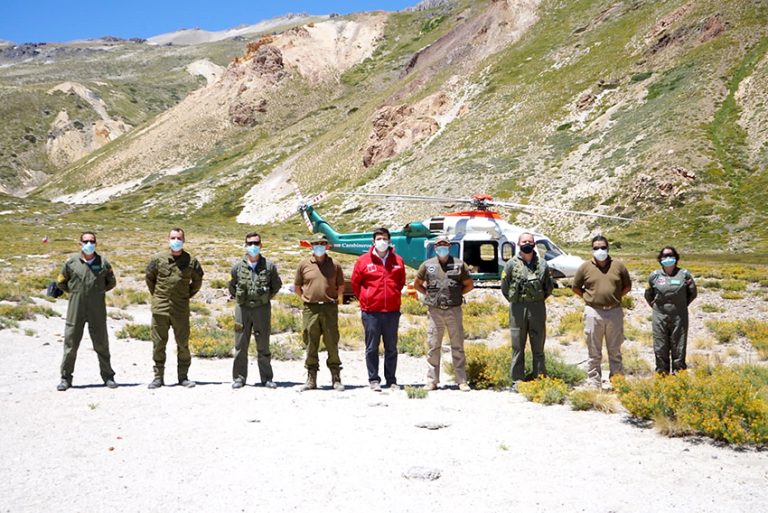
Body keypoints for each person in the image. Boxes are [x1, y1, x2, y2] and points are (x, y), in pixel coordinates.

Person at [55, 232, 118, 391]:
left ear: (96, 243)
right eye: (86, 241)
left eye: (92, 241)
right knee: (71, 343)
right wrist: (76, 291)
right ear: (80, 243)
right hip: (76, 307)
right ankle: (65, 378)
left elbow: (111, 282)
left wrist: (96, 292)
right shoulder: (71, 263)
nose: (89, 244)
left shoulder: (103, 262)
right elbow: (61, 282)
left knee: (101, 343)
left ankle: (108, 377)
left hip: (97, 308)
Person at [145, 228, 204, 389]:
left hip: (180, 309)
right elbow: (150, 278)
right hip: (161, 309)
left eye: (179, 238)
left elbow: (197, 281)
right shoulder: (158, 259)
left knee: (183, 344)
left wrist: (185, 296)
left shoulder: (191, 261)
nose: (176, 240)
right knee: (158, 344)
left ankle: (183, 377)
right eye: (173, 237)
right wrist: (158, 296)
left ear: (184, 240)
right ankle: (158, 377)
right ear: (168, 239)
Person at [413, 235, 474, 391]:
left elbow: (469, 285)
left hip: (454, 310)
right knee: (433, 345)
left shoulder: (460, 265)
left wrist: (457, 295)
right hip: (434, 311)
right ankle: (432, 380)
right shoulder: (427, 265)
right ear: (435, 248)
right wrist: (428, 295)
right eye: (439, 245)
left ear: (449, 246)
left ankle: (461, 380)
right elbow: (417, 284)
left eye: (445, 245)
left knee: (457, 345)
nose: (442, 247)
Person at [351, 227, 406, 391]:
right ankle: (374, 379)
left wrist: (393, 295)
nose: (382, 241)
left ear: (389, 241)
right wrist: (366, 299)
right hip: (371, 312)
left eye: (385, 238)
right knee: (372, 347)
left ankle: (391, 380)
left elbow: (401, 282)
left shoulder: (398, 261)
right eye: (379, 238)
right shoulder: (363, 261)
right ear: (373, 241)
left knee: (391, 347)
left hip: (392, 312)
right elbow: (355, 284)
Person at [572, 235, 632, 387]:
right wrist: (588, 298)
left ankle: (617, 380)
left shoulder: (618, 266)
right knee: (594, 350)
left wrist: (615, 298)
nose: (600, 250)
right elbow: (576, 287)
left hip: (614, 312)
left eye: (603, 247)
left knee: (615, 349)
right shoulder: (585, 267)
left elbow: (627, 286)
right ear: (592, 249)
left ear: (608, 248)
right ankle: (594, 381)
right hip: (593, 312)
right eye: (596, 248)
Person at [500, 232, 554, 389]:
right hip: (517, 308)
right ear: (518, 244)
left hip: (537, 308)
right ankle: (517, 379)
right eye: (524, 241)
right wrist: (515, 300)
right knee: (518, 345)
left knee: (538, 345)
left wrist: (538, 299)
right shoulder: (510, 264)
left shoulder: (543, 264)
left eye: (530, 241)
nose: (527, 243)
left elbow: (548, 287)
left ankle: (540, 377)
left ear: (534, 244)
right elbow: (505, 287)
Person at [229, 232, 283, 389]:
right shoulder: (237, 267)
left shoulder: (269, 266)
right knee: (240, 343)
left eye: (256, 243)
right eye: (250, 243)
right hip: (242, 309)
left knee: (263, 344)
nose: (253, 246)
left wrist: (264, 298)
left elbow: (276, 285)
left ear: (261, 245)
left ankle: (266, 378)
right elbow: (232, 286)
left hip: (262, 310)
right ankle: (239, 377)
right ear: (245, 245)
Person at [294, 235, 345, 391]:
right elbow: (297, 286)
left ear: (327, 246)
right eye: (316, 244)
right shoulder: (304, 265)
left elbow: (341, 285)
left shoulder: (335, 264)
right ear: (311, 246)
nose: (319, 247)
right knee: (310, 341)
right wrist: (305, 298)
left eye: (322, 244)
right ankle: (311, 378)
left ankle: (336, 378)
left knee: (332, 342)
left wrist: (337, 299)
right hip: (311, 308)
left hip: (329, 308)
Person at [644, 246, 697, 374]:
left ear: (676, 257)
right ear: (660, 258)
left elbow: (692, 293)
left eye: (670, 255)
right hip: (660, 315)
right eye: (665, 256)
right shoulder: (654, 276)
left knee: (679, 345)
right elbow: (648, 294)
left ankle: (679, 374)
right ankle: (662, 374)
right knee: (660, 345)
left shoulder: (684, 274)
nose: (668, 258)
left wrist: (681, 305)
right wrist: (658, 307)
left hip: (679, 316)